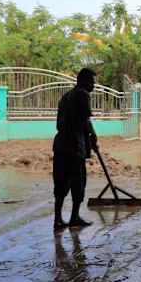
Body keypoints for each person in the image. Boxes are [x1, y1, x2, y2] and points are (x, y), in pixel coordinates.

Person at [53, 68, 98, 229]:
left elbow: (60, 122)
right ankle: (74, 217)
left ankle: (58, 219)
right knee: (78, 183)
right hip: (74, 146)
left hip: (60, 144)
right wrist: (93, 134)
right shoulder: (83, 94)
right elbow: (87, 118)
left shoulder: (66, 97)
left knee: (61, 183)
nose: (93, 86)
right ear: (84, 81)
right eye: (92, 83)